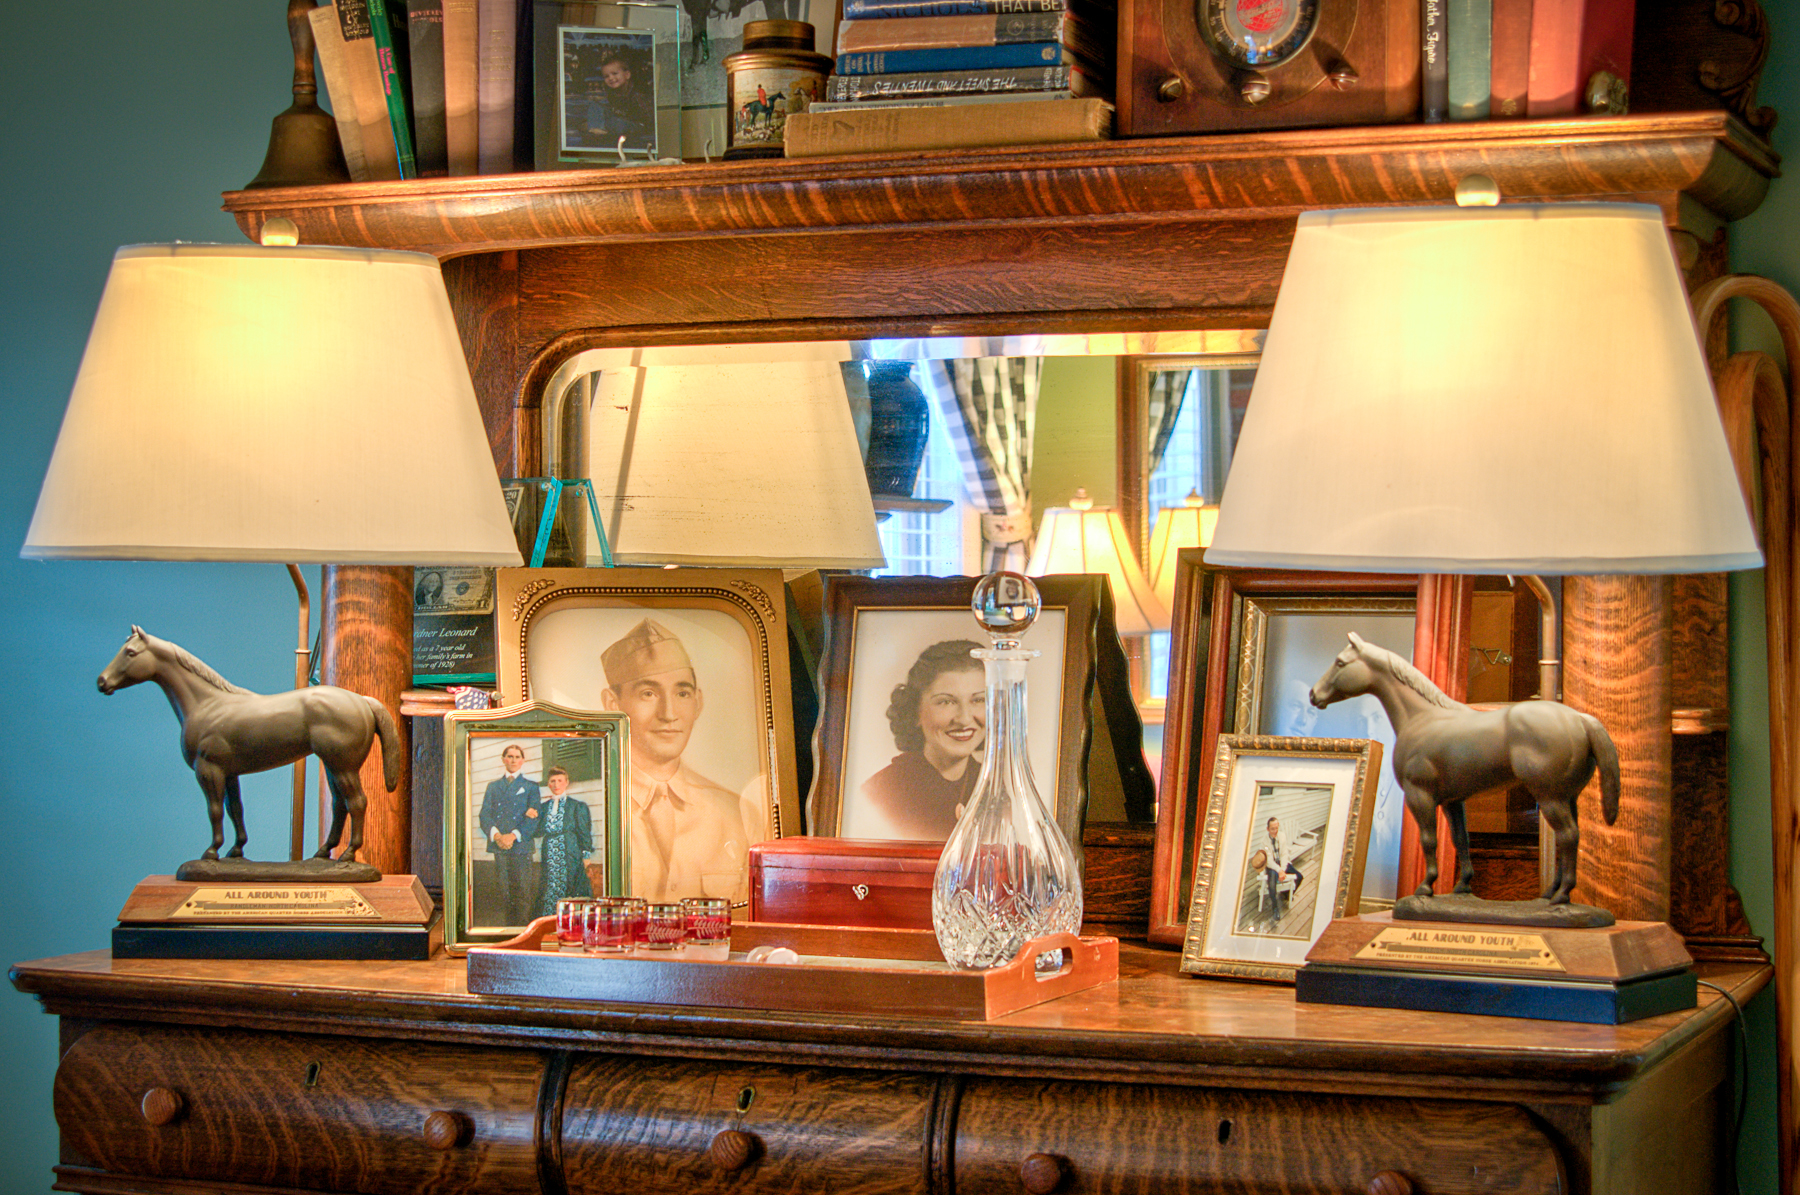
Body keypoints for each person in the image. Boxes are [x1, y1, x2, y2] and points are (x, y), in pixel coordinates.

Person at [600, 618, 759, 903]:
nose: (669, 713)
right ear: (613, 705)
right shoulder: (590, 811)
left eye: (682, 693)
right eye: (648, 693)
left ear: (698, 702)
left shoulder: (736, 815)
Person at [858, 639, 987, 840]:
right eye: (946, 702)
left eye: (978, 700)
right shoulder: (880, 793)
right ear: (915, 711)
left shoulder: (995, 788)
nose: (964, 719)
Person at [478, 744, 540, 926]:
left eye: (517, 757)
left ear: (523, 760)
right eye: (510, 756)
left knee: (522, 890)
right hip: (500, 846)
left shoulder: (531, 787)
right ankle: (506, 931)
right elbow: (485, 815)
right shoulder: (493, 787)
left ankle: (522, 931)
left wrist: (512, 836)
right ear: (503, 759)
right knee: (503, 890)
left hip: (521, 846)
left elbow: (534, 818)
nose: (513, 760)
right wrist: (498, 837)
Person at [530, 766, 594, 919]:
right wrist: (532, 817)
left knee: (571, 886)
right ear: (548, 784)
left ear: (566, 782)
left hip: (570, 852)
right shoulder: (543, 807)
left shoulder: (576, 806)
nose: (556, 784)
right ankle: (550, 920)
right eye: (552, 781)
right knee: (549, 886)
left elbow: (584, 832)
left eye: (560, 780)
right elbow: (537, 832)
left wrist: (586, 856)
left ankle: (570, 922)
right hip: (550, 853)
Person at [584, 50, 654, 149]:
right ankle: (597, 129)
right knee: (595, 105)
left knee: (616, 123)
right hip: (620, 118)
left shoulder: (637, 94)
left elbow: (649, 118)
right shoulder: (612, 92)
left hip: (636, 124)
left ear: (627, 75)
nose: (611, 78)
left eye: (614, 73)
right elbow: (612, 108)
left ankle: (601, 130)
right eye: (606, 76)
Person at [1262, 815, 1303, 924]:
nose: (1275, 831)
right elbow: (1269, 861)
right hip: (1272, 865)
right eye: (1272, 829)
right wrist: (1279, 870)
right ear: (1267, 829)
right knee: (1272, 884)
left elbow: (1284, 854)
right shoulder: (1264, 841)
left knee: (1299, 877)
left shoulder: (1282, 836)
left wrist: (1283, 869)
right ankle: (1275, 908)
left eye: (1276, 828)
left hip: (1282, 863)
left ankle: (1286, 894)